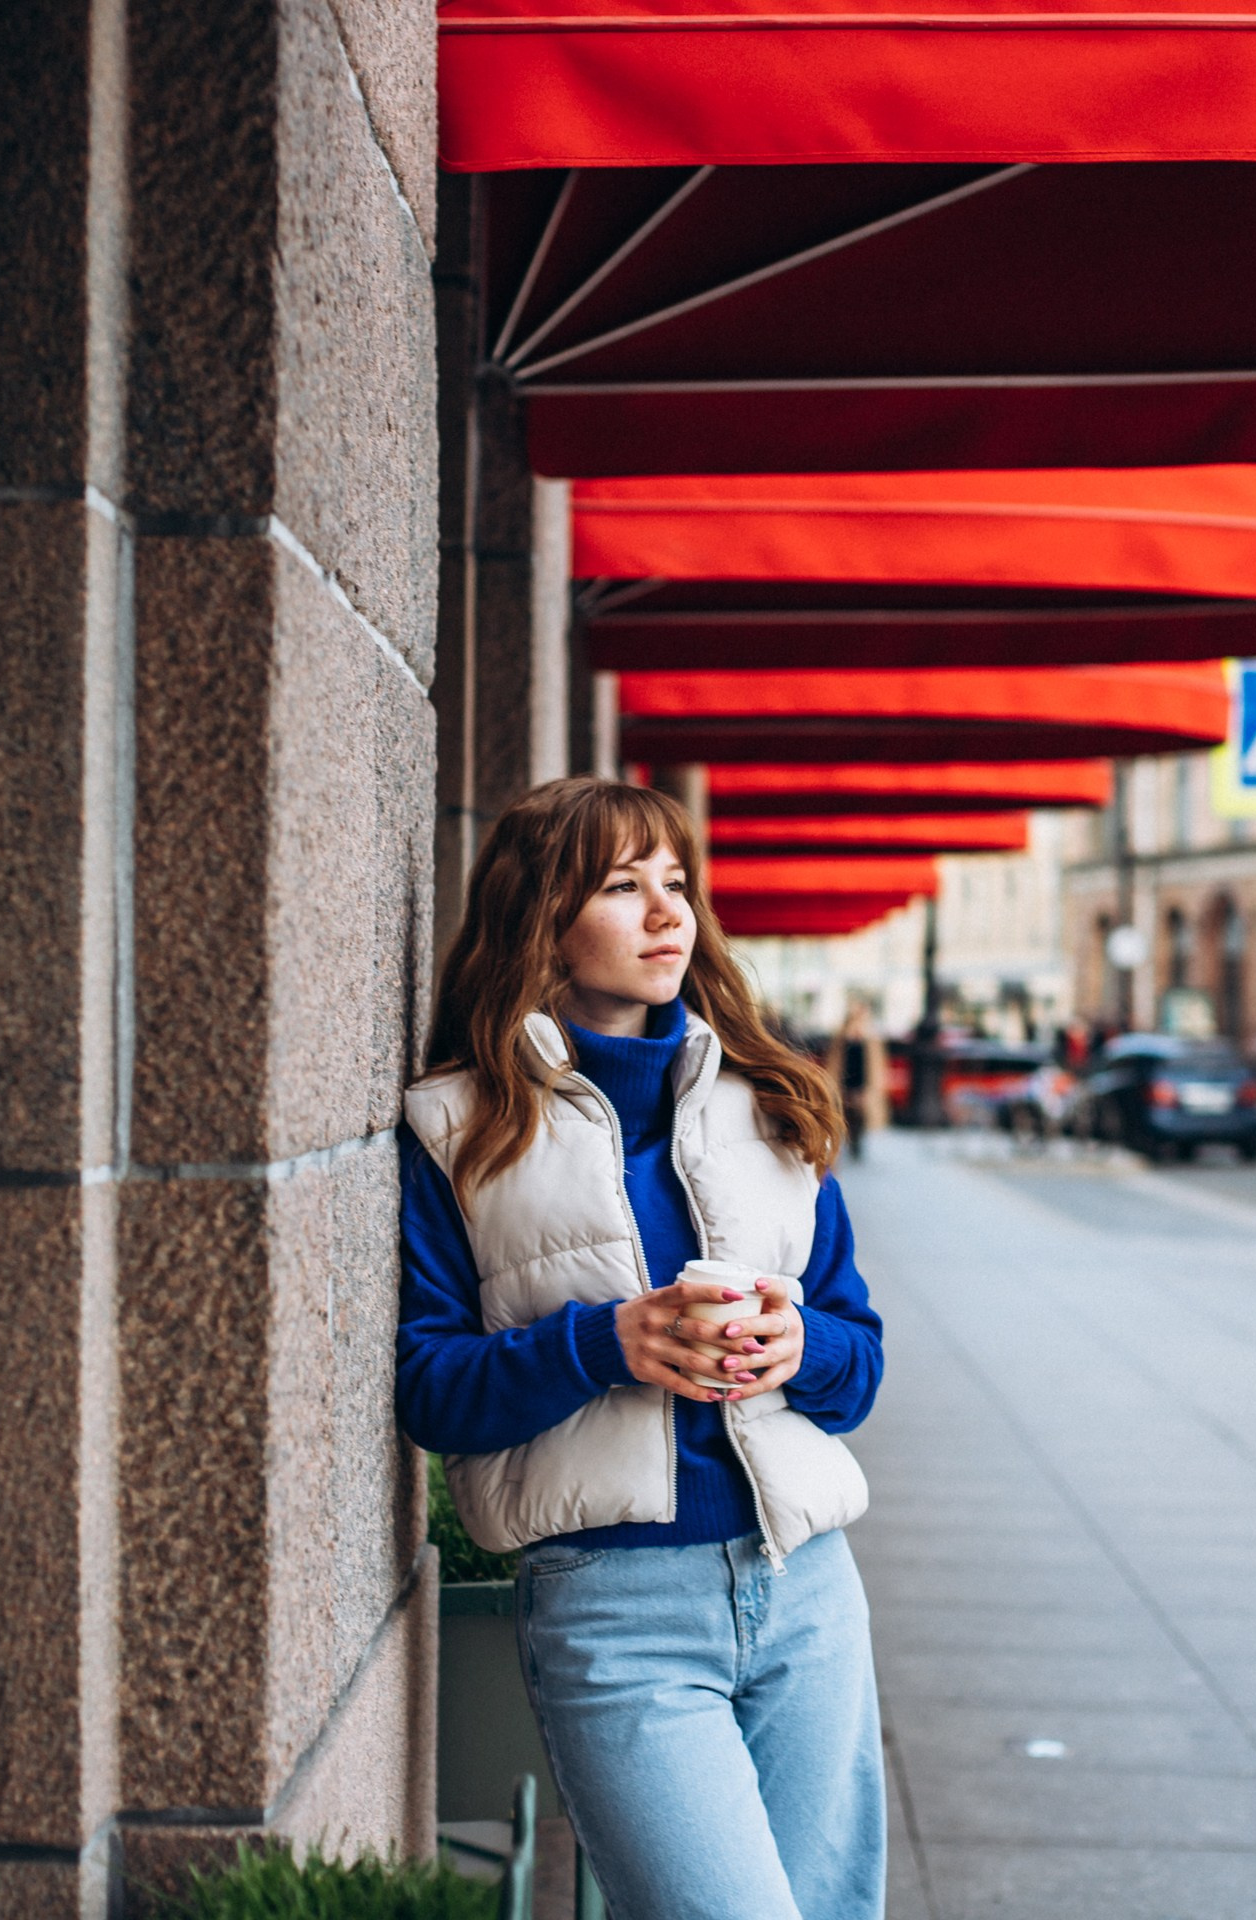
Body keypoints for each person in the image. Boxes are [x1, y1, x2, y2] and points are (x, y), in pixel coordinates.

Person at [397, 776, 887, 1920]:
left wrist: (796, 1347)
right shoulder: (457, 1128)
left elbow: (859, 1365)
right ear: (541, 916)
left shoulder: (772, 1107)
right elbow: (429, 1390)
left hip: (806, 1587)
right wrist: (604, 1342)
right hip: (615, 1609)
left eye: (678, 884)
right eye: (625, 887)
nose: (671, 914)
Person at [825, 1001, 888, 1159]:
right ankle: (850, 1141)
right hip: (845, 1084)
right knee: (847, 1114)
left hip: (862, 1085)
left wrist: (872, 1088)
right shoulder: (842, 1038)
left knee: (860, 1115)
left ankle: (857, 1143)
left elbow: (876, 1066)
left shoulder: (870, 1039)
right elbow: (835, 1062)